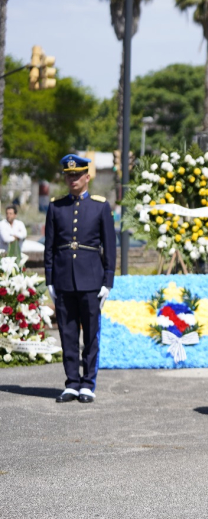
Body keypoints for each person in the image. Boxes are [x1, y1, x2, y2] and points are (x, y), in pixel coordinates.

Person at [44, 154, 116, 404]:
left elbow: (109, 246)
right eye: (69, 175)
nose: (73, 179)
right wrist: (50, 280)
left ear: (87, 176)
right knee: (67, 334)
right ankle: (72, 382)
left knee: (91, 334)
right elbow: (50, 247)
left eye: (77, 175)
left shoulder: (100, 206)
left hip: (91, 280)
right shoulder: (56, 206)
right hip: (64, 280)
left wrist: (108, 281)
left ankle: (88, 383)